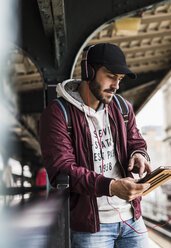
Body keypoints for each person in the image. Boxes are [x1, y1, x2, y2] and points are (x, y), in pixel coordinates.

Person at [39, 43, 152, 248]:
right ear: (89, 71)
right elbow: (63, 169)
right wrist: (111, 187)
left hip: (132, 218)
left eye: (119, 79)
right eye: (110, 76)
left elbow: (136, 141)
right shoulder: (57, 114)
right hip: (91, 226)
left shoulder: (122, 108)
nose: (116, 85)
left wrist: (139, 154)